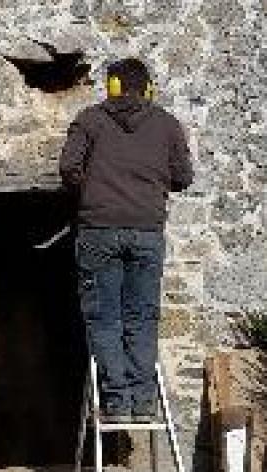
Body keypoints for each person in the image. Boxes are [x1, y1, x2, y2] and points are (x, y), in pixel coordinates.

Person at [59, 58, 194, 420]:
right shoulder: (167, 125)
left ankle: (116, 403)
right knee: (142, 317)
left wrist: (93, 192)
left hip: (99, 230)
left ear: (113, 87)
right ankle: (143, 401)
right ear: (148, 88)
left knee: (105, 318)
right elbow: (184, 177)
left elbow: (68, 168)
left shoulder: (89, 120)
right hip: (147, 232)